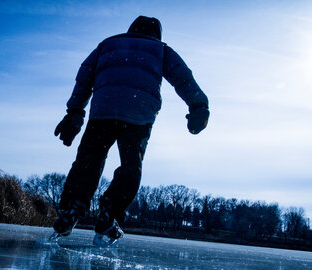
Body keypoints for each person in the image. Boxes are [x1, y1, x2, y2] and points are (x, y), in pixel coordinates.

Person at [53, 15, 209, 246]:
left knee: (89, 160)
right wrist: (199, 106)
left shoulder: (107, 44)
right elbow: (183, 78)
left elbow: (84, 76)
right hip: (138, 114)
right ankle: (109, 213)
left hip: (103, 109)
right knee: (131, 165)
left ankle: (73, 207)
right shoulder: (161, 50)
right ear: (157, 34)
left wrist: (74, 111)